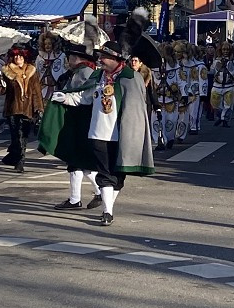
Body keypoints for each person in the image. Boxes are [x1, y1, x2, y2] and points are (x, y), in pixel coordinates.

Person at [50, 42, 155, 226]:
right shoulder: (98, 76)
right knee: (105, 174)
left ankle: (108, 208)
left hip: (123, 136)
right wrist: (65, 97)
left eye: (103, 57)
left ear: (115, 59)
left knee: (118, 177)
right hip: (99, 134)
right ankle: (107, 212)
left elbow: (137, 109)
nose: (100, 60)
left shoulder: (131, 78)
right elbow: (84, 97)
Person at [51, 42, 102, 211]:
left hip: (82, 119)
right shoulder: (79, 72)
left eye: (70, 56)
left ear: (78, 58)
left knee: (79, 160)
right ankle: (78, 197)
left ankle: (90, 194)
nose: (68, 59)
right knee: (78, 162)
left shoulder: (85, 72)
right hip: (79, 119)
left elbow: (84, 97)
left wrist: (64, 98)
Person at [1, 45, 43, 172]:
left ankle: (19, 159)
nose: (18, 58)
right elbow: (1, 91)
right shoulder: (7, 71)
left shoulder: (31, 70)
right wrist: (0, 83)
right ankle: (16, 157)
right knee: (16, 135)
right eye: (15, 56)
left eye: (20, 56)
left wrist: (39, 108)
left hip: (28, 109)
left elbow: (36, 91)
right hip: (13, 108)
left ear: (25, 57)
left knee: (23, 135)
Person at [209, 42, 234, 128]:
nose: (225, 51)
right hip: (217, 85)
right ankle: (220, 116)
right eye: (224, 50)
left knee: (228, 104)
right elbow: (211, 70)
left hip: (230, 86)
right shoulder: (216, 60)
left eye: (227, 50)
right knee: (214, 103)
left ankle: (225, 119)